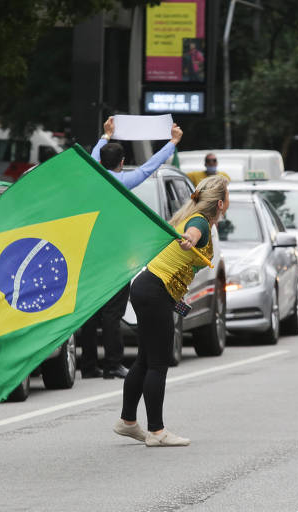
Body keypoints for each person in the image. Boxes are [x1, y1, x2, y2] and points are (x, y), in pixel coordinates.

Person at [114, 175, 229, 447]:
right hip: (155, 291)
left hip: (149, 289)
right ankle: (156, 431)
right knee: (158, 363)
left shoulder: (191, 216)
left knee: (145, 359)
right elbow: (193, 234)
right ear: (221, 203)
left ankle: (127, 422)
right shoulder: (199, 221)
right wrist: (190, 240)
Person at [77, 116, 184, 379]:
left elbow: (92, 157)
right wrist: (172, 142)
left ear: (101, 162)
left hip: (89, 256)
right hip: (115, 258)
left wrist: (106, 135)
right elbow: (150, 166)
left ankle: (88, 365)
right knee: (113, 313)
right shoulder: (123, 182)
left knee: (89, 311)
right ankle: (112, 363)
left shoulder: (93, 178)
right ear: (122, 163)